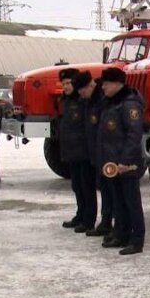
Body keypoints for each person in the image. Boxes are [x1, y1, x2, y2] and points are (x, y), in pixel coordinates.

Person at [97, 67, 145, 256]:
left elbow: (134, 134)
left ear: (118, 84)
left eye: (106, 84)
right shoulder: (112, 103)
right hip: (112, 162)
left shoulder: (129, 104)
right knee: (119, 201)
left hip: (126, 163)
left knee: (132, 202)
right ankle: (122, 234)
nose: (103, 88)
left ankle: (137, 240)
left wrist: (124, 160)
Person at [72, 71, 113, 239]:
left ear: (90, 85)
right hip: (94, 153)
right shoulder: (89, 100)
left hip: (106, 152)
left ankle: (108, 222)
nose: (81, 95)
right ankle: (105, 222)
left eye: (82, 91)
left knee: (109, 191)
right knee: (103, 188)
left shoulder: (101, 100)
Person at [58, 67, 97, 233]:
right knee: (77, 186)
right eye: (63, 83)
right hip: (72, 152)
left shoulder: (83, 102)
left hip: (84, 152)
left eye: (68, 83)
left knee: (86, 186)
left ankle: (89, 220)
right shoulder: (67, 101)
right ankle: (80, 215)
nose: (65, 87)